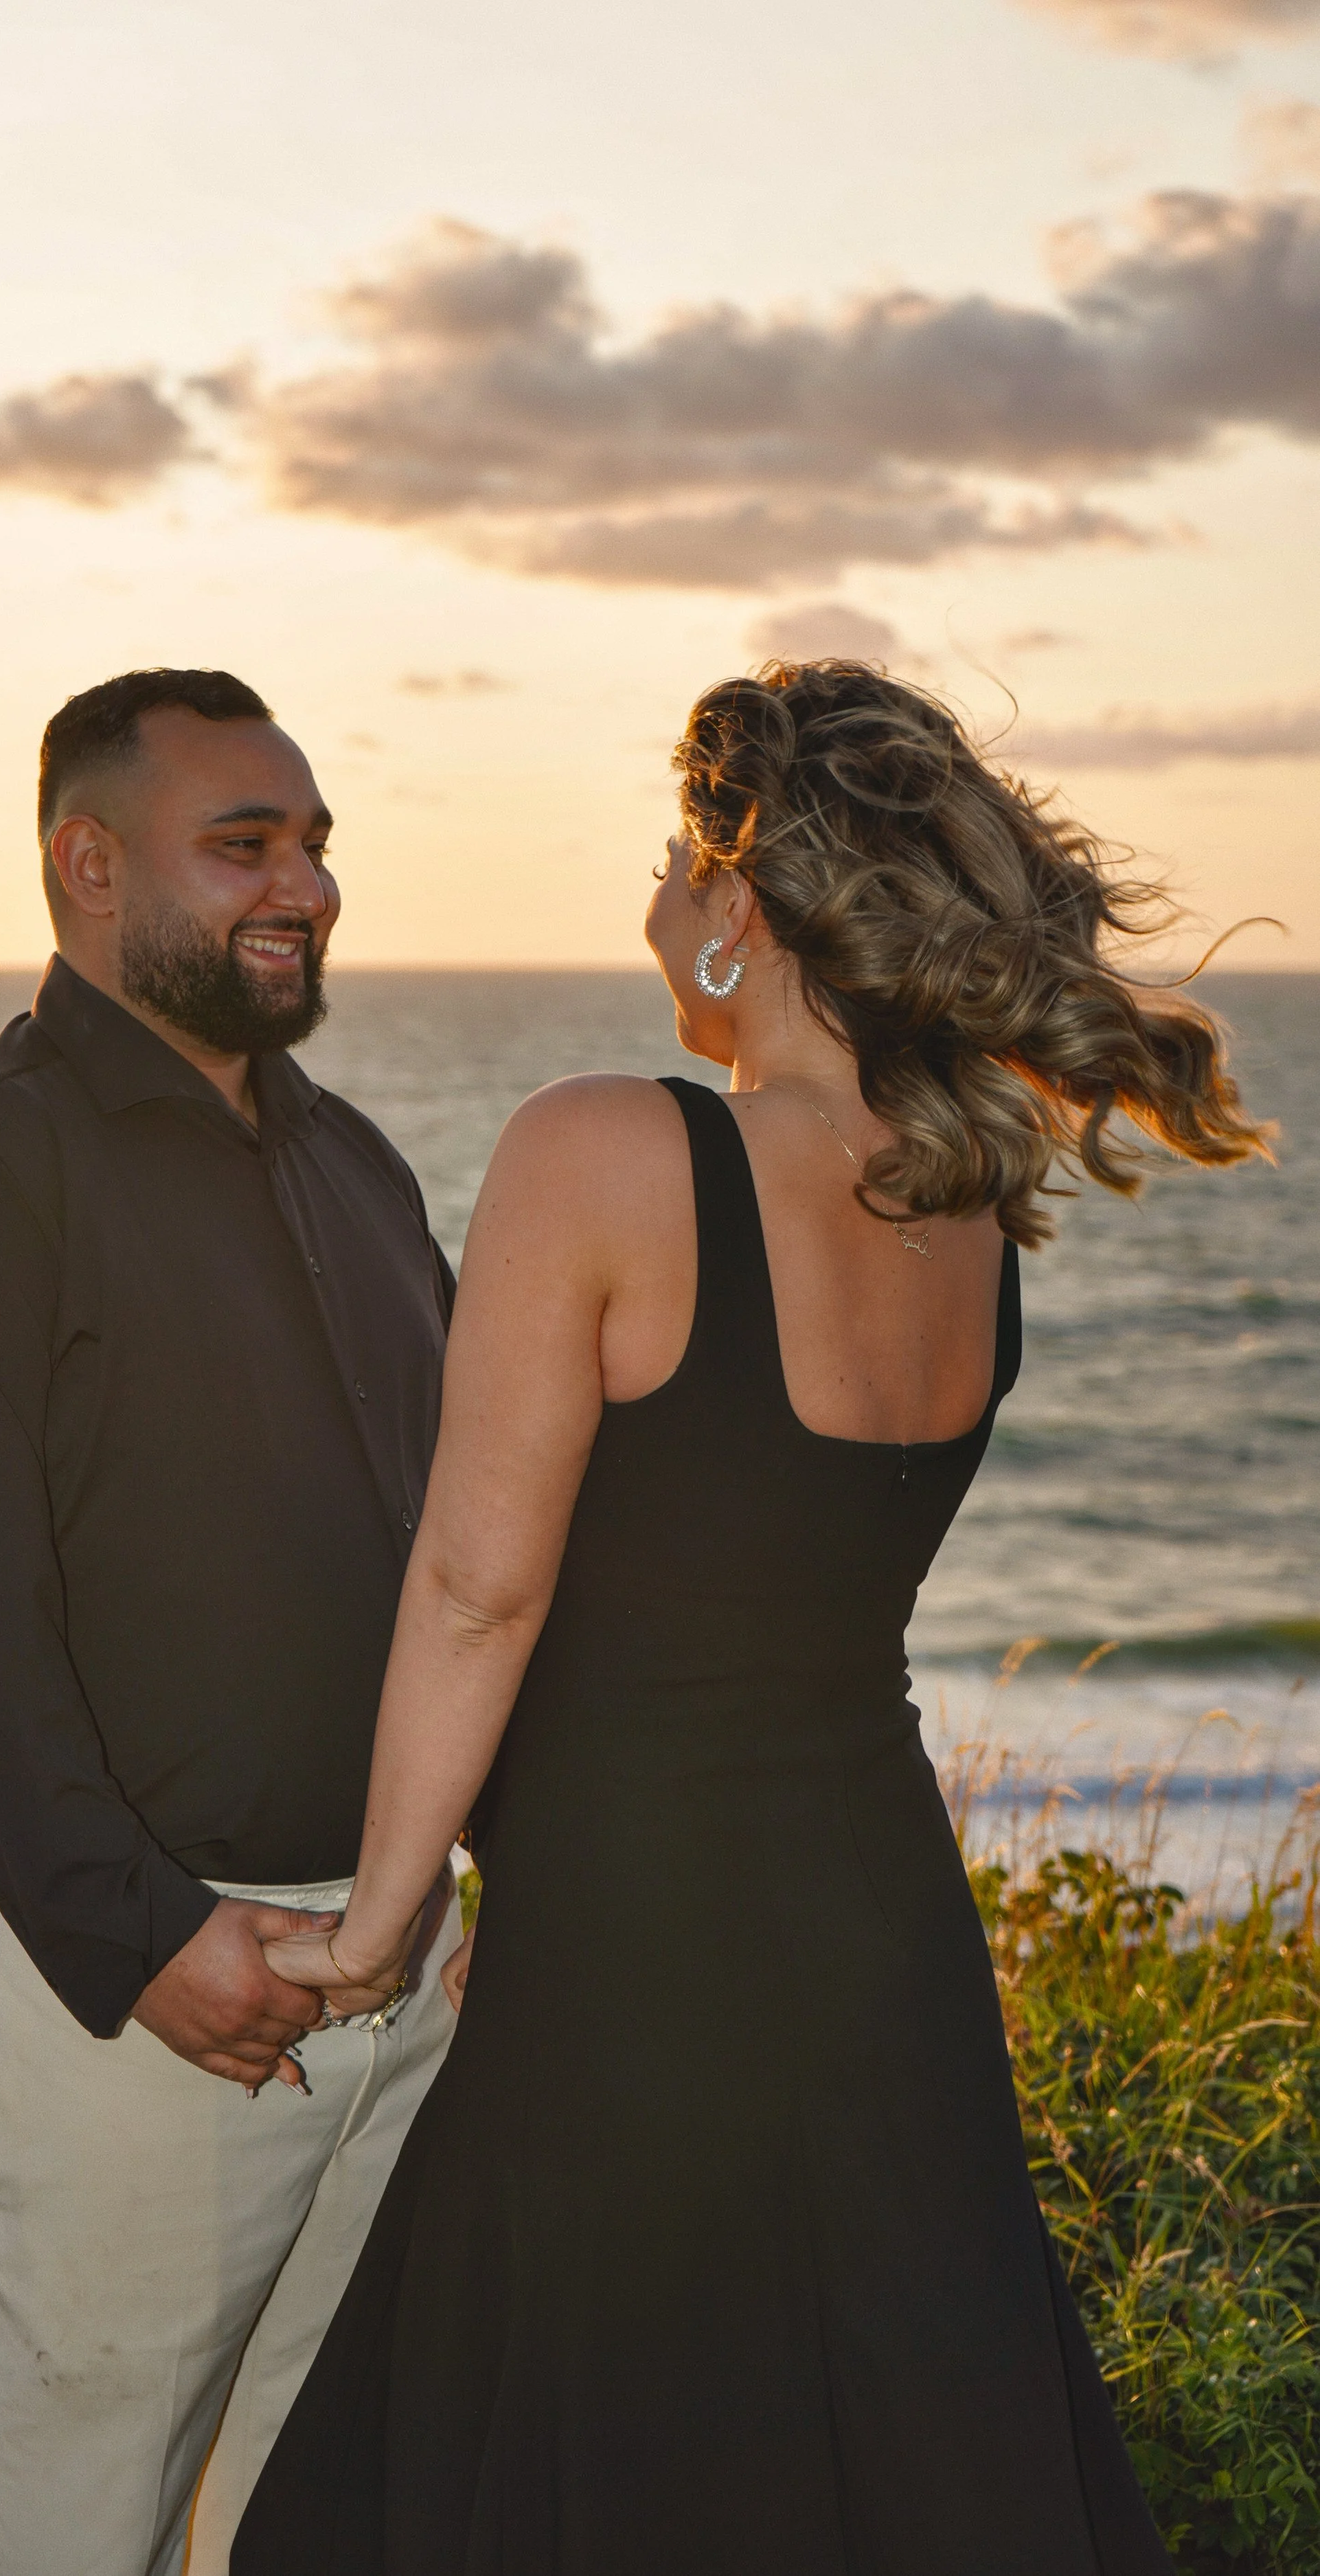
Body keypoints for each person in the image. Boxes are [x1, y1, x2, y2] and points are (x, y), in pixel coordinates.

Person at [233, 661, 1269, 2575]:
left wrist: (380, 1921)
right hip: (875, 1936)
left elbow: (480, 1581)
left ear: (737, 901)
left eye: (669, 850)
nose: (648, 886)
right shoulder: (967, 1200)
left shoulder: (605, 1149)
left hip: (642, 1951)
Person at [0, 668, 463, 2576]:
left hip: (389, 1982)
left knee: (295, 2530)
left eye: (317, 844)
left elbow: (451, 1562)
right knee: (59, 2536)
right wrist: (149, 1935)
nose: (308, 885)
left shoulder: (356, 1166)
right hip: (126, 2009)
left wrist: (456, 1894)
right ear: (87, 867)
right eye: (244, 844)